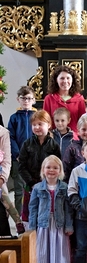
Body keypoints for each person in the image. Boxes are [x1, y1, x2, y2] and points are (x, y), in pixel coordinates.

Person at [28, 155, 73, 263]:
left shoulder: (64, 187)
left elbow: (68, 209)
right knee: (43, 250)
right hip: (43, 223)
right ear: (43, 170)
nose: (51, 170)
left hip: (59, 223)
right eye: (48, 167)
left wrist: (69, 225)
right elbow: (33, 208)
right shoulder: (37, 188)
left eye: (55, 167)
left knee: (58, 249)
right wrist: (31, 228)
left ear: (60, 170)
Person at [18, 110, 61, 225]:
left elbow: (57, 166)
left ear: (49, 125)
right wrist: (31, 182)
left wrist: (48, 181)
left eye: (40, 124)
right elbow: (21, 166)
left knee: (45, 211)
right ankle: (29, 233)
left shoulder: (54, 145)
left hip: (48, 184)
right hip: (30, 184)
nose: (37, 127)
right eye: (34, 125)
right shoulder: (27, 144)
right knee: (30, 211)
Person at [7, 85, 37, 215]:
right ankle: (20, 220)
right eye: (23, 98)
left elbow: (40, 135)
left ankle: (33, 218)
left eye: (29, 98)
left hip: (34, 159)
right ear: (18, 99)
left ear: (34, 100)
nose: (26, 101)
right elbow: (11, 137)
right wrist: (18, 154)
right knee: (19, 190)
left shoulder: (37, 116)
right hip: (18, 159)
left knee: (34, 189)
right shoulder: (14, 118)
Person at [43, 65, 86, 135]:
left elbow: (82, 121)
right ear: (56, 80)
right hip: (55, 137)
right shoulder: (49, 98)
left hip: (74, 138)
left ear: (72, 80)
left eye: (68, 78)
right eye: (62, 78)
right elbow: (46, 120)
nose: (65, 81)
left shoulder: (79, 99)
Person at [0, 125, 25, 235]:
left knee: (5, 200)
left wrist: (2, 178)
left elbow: (6, 161)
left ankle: (18, 221)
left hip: (0, 178)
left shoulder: (3, 133)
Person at [63, 116, 87, 183]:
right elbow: (65, 170)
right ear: (78, 131)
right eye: (84, 129)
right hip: (77, 184)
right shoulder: (72, 148)